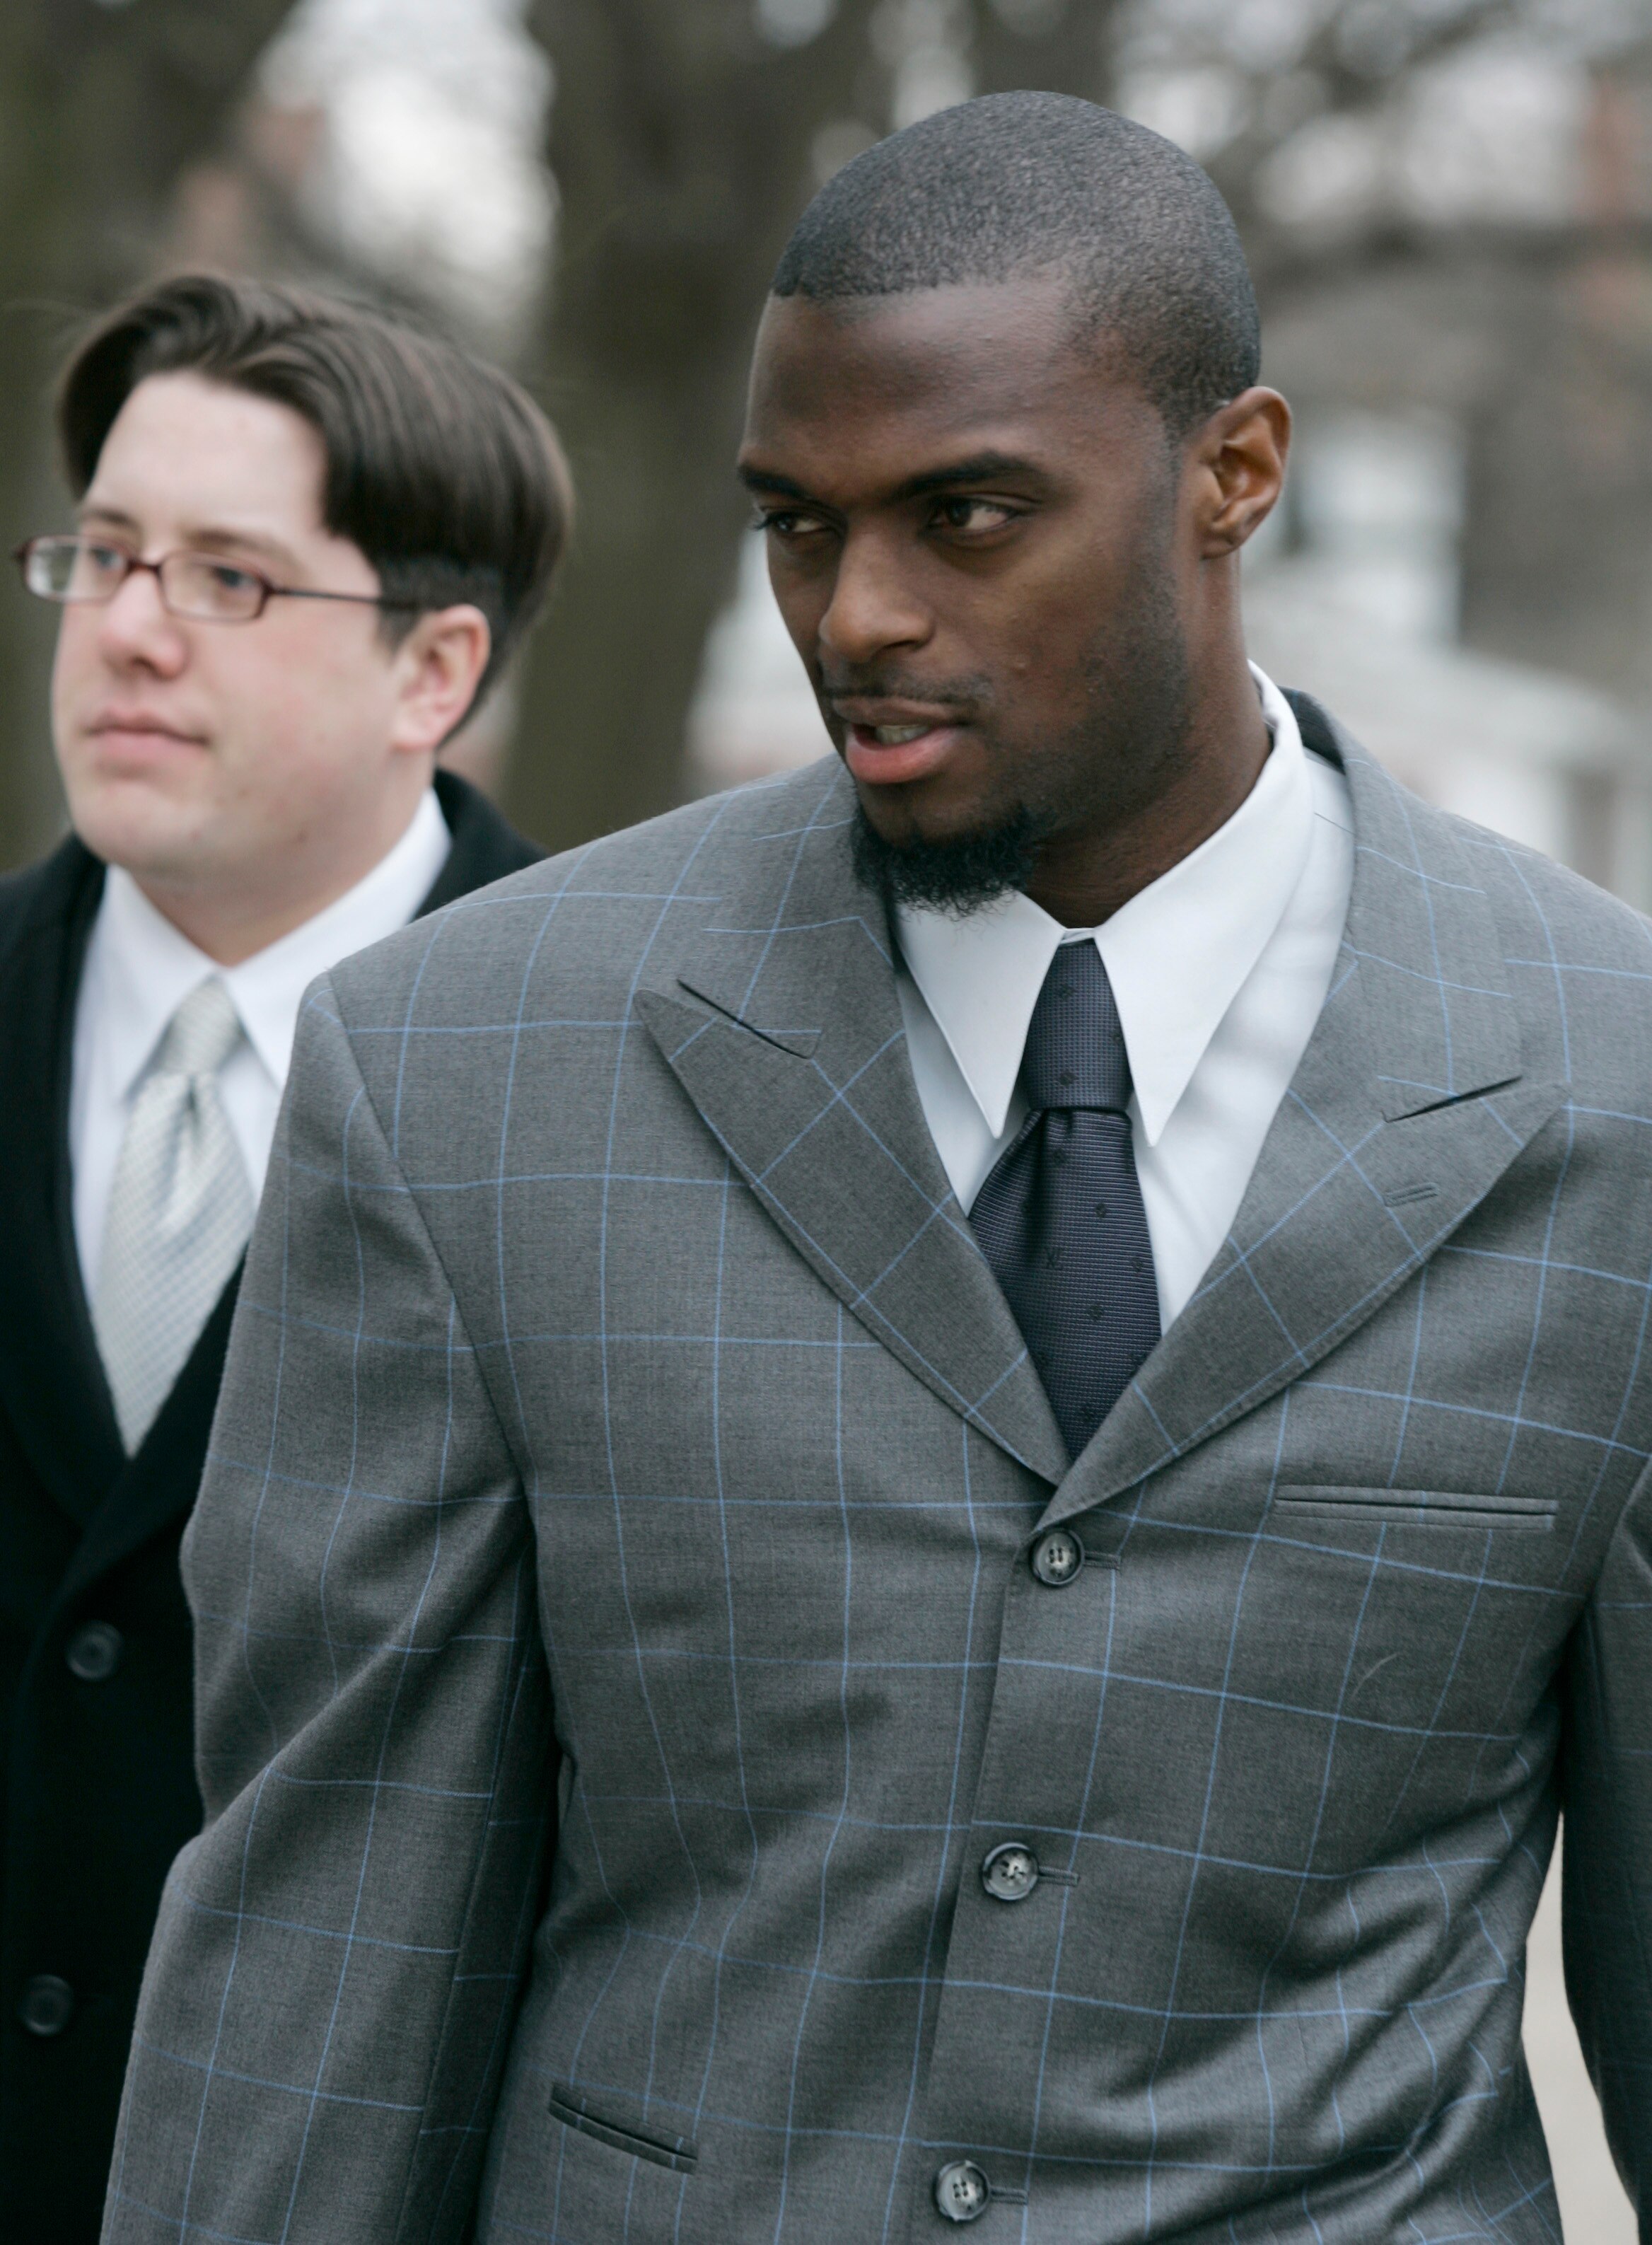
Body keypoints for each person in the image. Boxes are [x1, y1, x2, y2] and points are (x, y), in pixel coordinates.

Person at [106, 98, 1650, 2244]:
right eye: (799, 526)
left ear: (1238, 472)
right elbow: (322, 1969)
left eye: (968, 513)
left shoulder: (1616, 1090)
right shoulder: (460, 1070)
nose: (859, 615)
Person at [0, 272, 566, 2244]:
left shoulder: (628, 1108)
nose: (130, 630)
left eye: (230, 579)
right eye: (106, 554)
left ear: (435, 669)